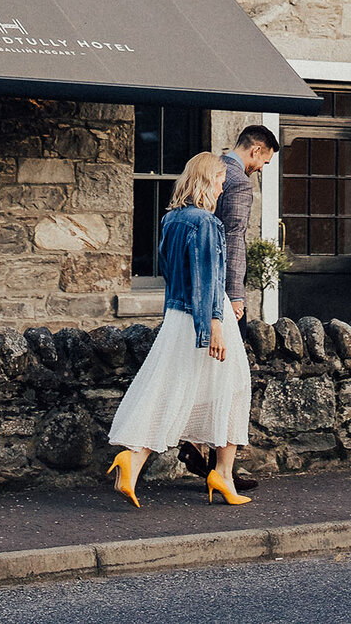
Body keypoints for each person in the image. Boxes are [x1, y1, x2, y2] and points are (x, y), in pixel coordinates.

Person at [105, 152, 252, 507]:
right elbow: (207, 281)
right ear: (205, 181)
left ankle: (133, 459)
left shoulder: (172, 219)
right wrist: (214, 327)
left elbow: (175, 276)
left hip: (176, 316)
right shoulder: (205, 223)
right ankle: (224, 474)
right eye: (219, 181)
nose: (222, 188)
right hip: (205, 316)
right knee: (234, 389)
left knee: (167, 389)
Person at [182, 125, 277, 488]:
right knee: (230, 381)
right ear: (255, 150)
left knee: (200, 373)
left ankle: (202, 451)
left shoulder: (211, 168)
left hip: (191, 293)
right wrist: (234, 296)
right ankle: (221, 469)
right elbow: (232, 239)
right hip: (220, 297)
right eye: (264, 161)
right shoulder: (236, 182)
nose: (262, 168)